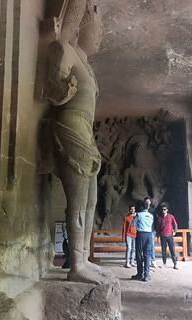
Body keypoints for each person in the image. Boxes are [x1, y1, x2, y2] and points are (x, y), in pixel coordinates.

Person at [44, 0, 110, 284]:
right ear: (81, 32)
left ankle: (83, 260)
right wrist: (64, 86)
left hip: (85, 129)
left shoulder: (88, 65)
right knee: (78, 201)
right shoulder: (66, 50)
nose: (99, 38)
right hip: (70, 125)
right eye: (96, 32)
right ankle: (77, 266)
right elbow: (52, 92)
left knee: (92, 200)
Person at [131, 202, 154, 282]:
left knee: (139, 254)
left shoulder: (139, 215)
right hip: (149, 235)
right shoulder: (151, 216)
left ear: (141, 207)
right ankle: (146, 275)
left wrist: (136, 218)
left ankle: (140, 273)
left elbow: (133, 224)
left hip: (141, 235)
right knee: (147, 255)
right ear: (148, 207)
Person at [156, 204, 178, 269]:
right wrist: (158, 236)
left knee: (172, 250)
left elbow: (175, 224)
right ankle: (164, 263)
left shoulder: (171, 217)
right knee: (163, 251)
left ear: (167, 210)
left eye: (165, 209)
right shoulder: (159, 218)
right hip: (163, 236)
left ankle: (175, 263)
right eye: (162, 210)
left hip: (170, 236)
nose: (163, 211)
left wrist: (175, 231)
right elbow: (158, 228)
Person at [144, 196, 158, 268]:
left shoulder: (153, 210)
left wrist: (156, 229)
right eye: (146, 201)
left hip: (151, 230)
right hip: (144, 230)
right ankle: (146, 260)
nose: (147, 202)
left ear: (150, 202)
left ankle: (153, 260)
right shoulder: (142, 210)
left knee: (152, 246)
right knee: (145, 246)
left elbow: (155, 220)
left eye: (148, 201)